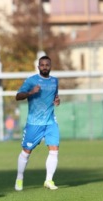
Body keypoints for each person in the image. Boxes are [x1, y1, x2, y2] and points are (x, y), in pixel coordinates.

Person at [14, 55, 60, 191]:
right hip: (34, 123)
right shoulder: (31, 81)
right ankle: (19, 178)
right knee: (26, 152)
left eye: (47, 65)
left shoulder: (54, 81)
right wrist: (30, 92)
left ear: (50, 66)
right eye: (42, 65)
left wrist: (57, 101)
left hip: (50, 122)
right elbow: (18, 96)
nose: (45, 67)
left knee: (54, 150)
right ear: (38, 67)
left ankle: (49, 180)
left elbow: (55, 96)